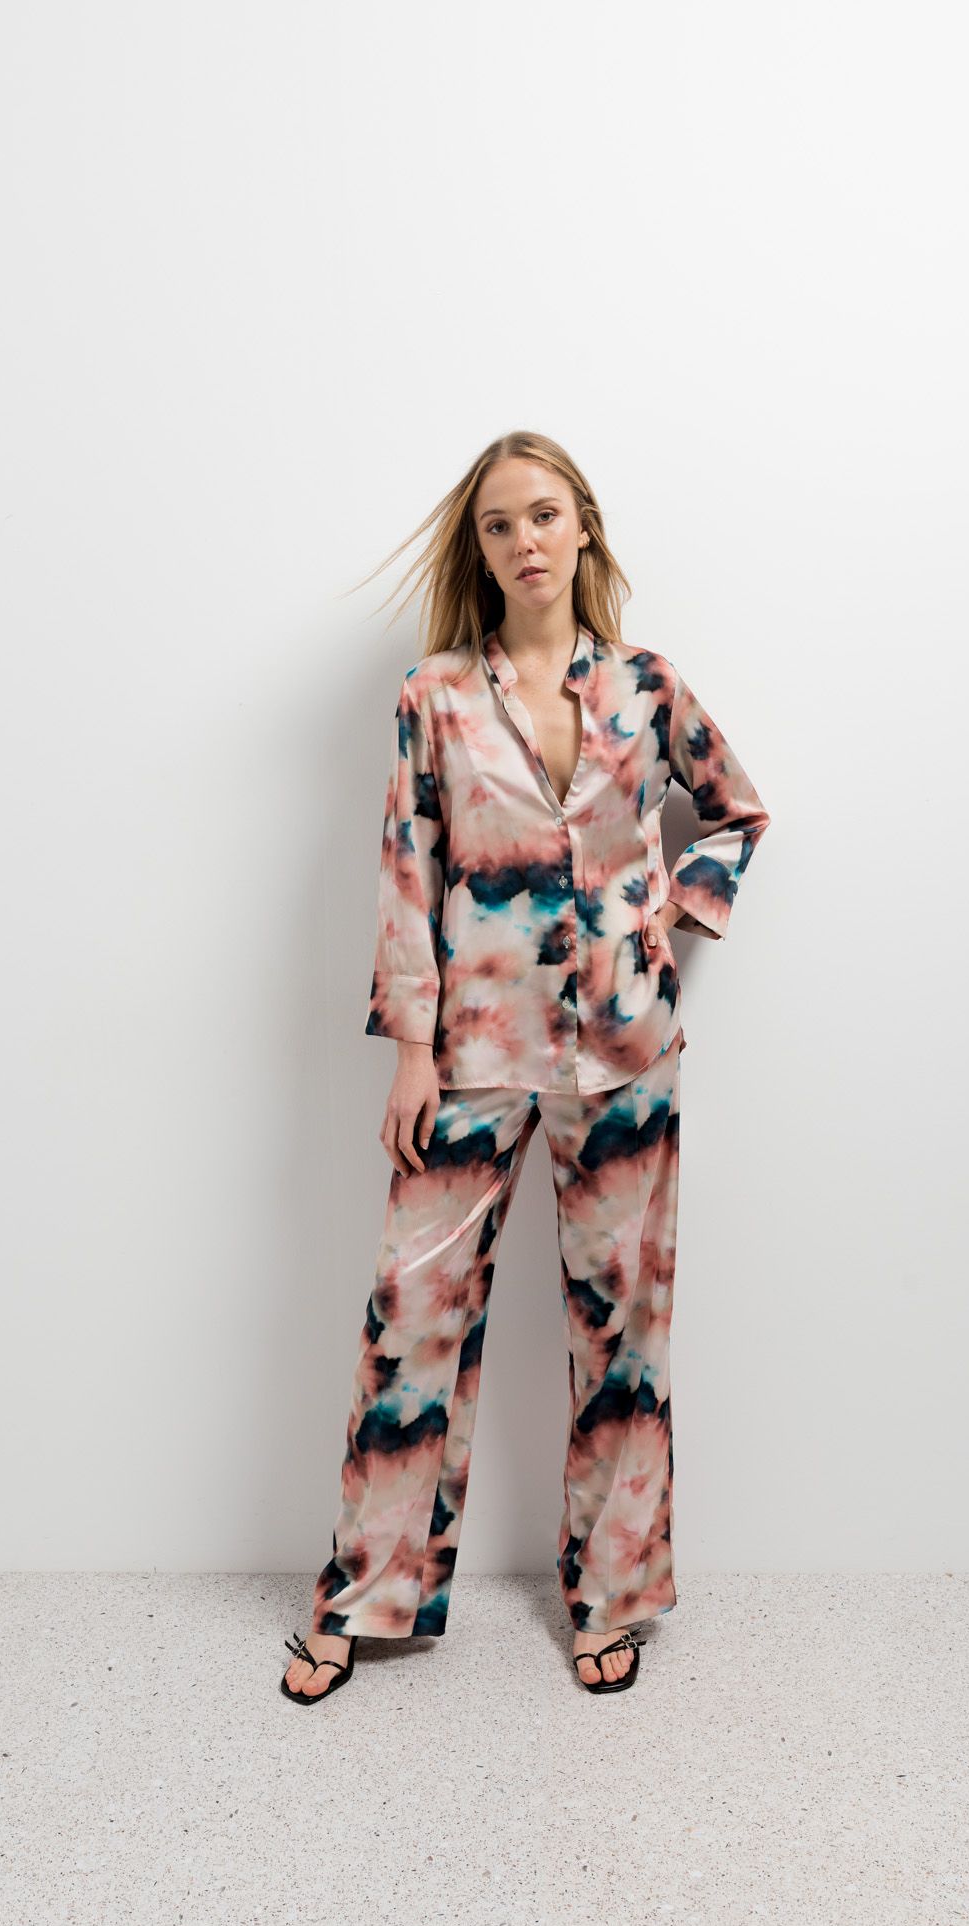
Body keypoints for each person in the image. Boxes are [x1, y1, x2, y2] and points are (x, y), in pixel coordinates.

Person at [280, 430, 771, 1704]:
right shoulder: (434, 695)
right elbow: (409, 870)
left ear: (583, 526)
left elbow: (738, 811)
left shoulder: (649, 686)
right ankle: (365, 1594)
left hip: (626, 1048)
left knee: (625, 1333)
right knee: (412, 1315)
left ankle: (615, 1594)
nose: (525, 540)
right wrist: (411, 1052)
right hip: (471, 1051)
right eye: (500, 524)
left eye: (544, 514)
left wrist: (671, 913)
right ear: (482, 550)